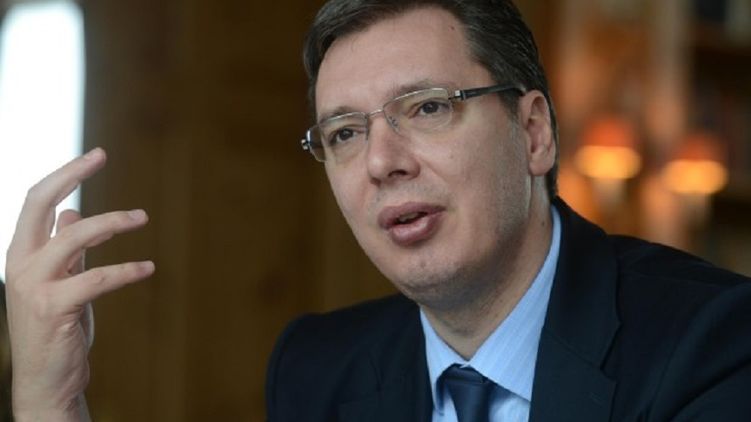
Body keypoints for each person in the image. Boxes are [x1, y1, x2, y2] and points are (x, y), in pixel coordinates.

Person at [4, 0, 751, 421]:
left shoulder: (714, 343)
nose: (380, 161)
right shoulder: (316, 371)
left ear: (532, 134)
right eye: (344, 133)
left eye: (426, 107)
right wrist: (50, 402)